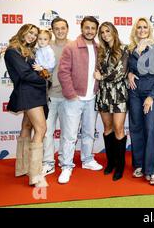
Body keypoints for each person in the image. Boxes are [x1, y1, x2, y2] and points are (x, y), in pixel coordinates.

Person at [57, 16, 103, 184]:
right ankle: (66, 165)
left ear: (96, 30)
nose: (90, 31)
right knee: (69, 135)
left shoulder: (99, 48)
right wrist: (71, 94)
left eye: (93, 28)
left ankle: (87, 160)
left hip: (92, 98)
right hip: (74, 98)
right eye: (87, 27)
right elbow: (63, 72)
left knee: (89, 132)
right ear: (82, 28)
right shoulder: (71, 47)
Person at [3, 24, 48, 187]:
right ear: (22, 32)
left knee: (27, 126)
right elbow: (25, 74)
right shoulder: (12, 51)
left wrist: (42, 73)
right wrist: (45, 79)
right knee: (41, 129)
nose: (33, 36)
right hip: (28, 93)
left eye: (35, 34)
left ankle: (22, 168)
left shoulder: (27, 50)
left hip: (32, 92)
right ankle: (36, 175)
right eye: (30, 33)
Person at [127, 17, 154, 185]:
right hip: (134, 92)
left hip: (150, 93)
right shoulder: (130, 49)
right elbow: (127, 68)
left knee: (149, 129)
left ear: (149, 30)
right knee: (136, 128)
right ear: (135, 30)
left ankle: (151, 170)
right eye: (139, 27)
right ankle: (138, 165)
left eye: (145, 27)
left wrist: (151, 96)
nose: (142, 30)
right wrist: (128, 73)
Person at [94, 22, 129, 181]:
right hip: (104, 94)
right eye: (102, 32)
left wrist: (102, 77)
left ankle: (120, 166)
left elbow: (120, 72)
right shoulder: (100, 51)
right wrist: (99, 76)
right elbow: (95, 70)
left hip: (119, 94)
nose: (105, 34)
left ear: (114, 32)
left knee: (118, 127)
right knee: (107, 128)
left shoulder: (124, 49)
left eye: (107, 31)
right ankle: (111, 163)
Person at [41, 17, 71, 176]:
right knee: (47, 131)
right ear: (52, 30)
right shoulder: (46, 46)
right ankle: (48, 163)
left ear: (67, 29)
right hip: (49, 96)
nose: (60, 31)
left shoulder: (74, 46)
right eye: (57, 28)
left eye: (63, 28)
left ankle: (65, 163)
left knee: (67, 133)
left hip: (69, 97)